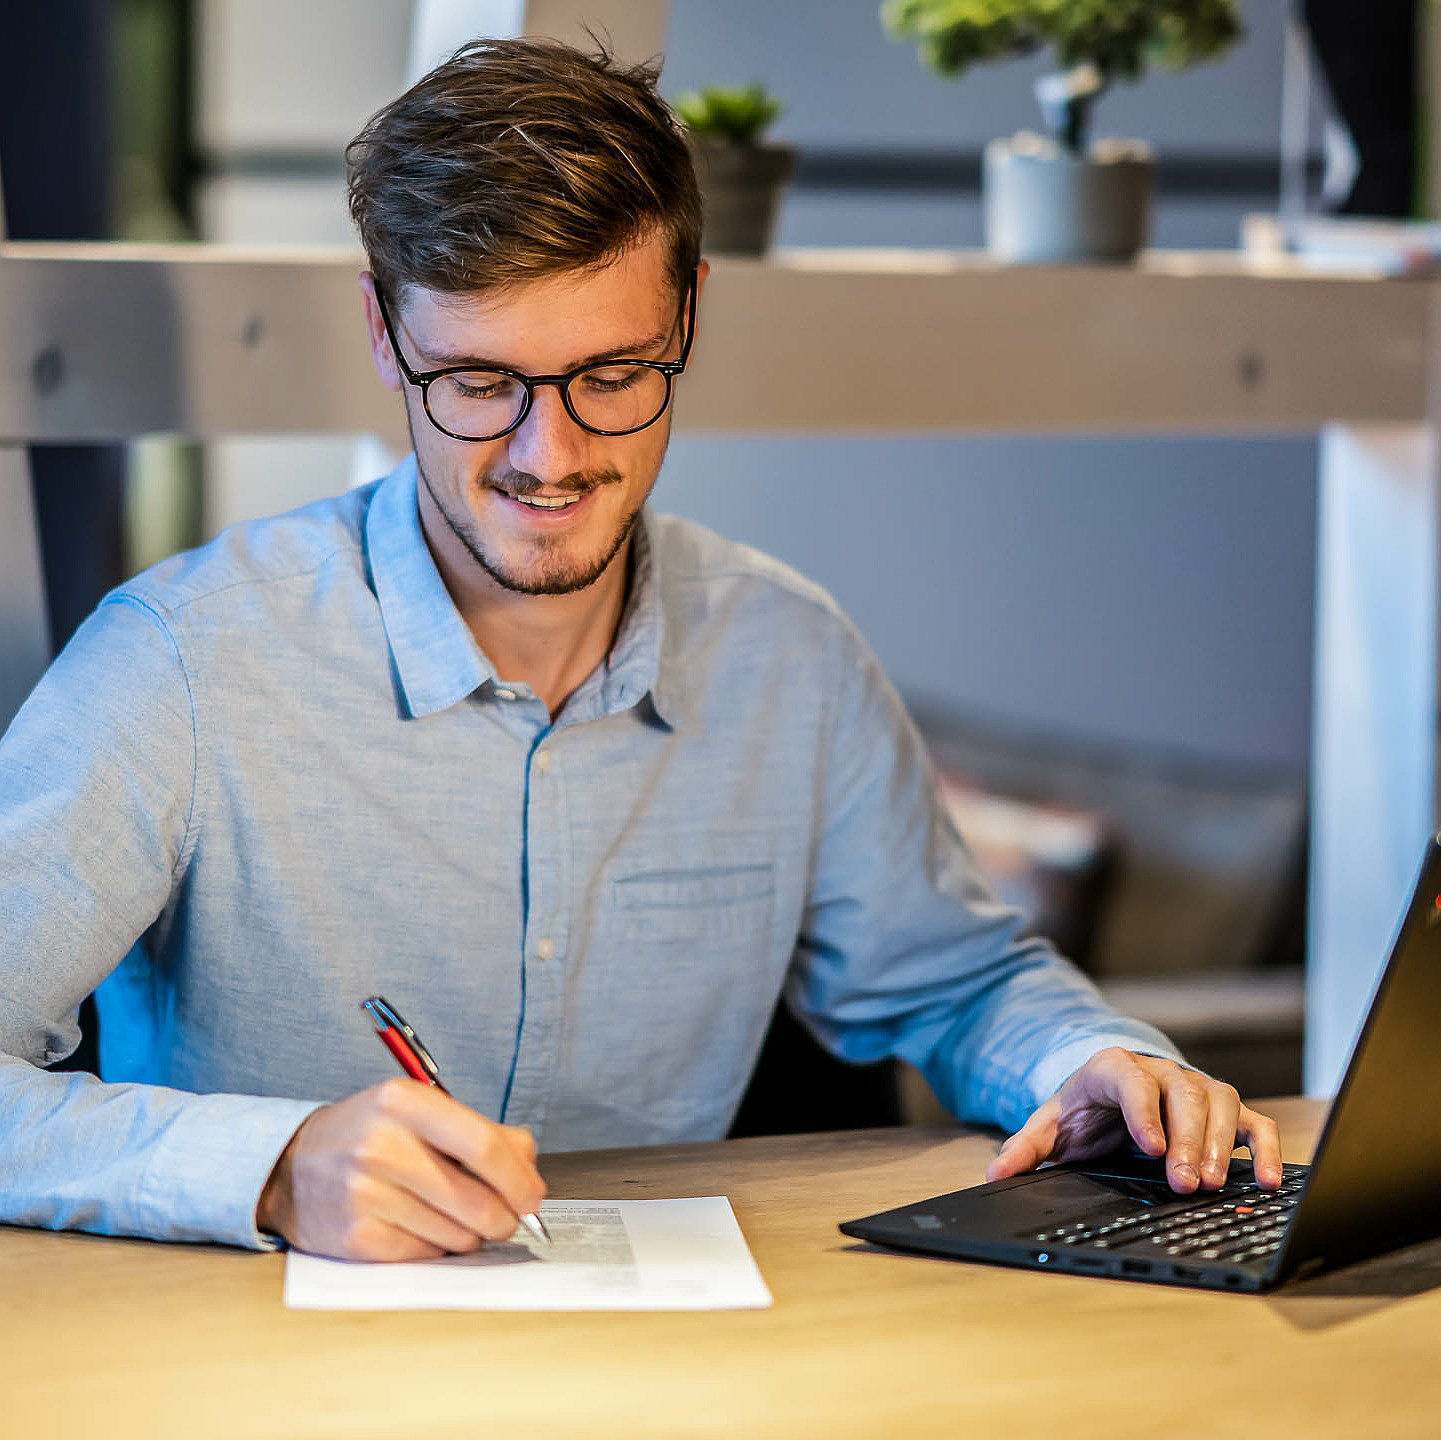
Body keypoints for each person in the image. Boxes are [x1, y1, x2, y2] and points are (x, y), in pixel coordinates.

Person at [0, 37, 1280, 1262]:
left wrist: (1089, 1061)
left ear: (689, 314)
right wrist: (273, 1168)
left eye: (610, 374)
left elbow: (949, 982)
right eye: (478, 383)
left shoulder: (792, 659)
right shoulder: (181, 663)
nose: (545, 458)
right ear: (386, 335)